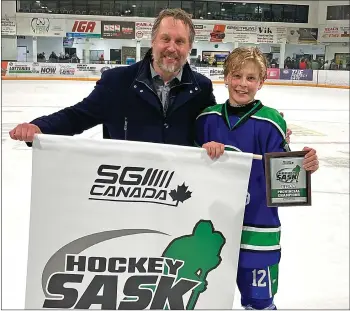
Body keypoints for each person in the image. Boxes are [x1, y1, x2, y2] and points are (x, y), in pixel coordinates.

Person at [9, 8, 295, 148]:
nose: (172, 48)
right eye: (166, 39)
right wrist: (39, 128)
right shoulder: (117, 83)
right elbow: (77, 117)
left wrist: (262, 120)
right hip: (126, 195)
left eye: (180, 42)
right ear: (153, 41)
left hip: (178, 199)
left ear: (189, 47)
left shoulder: (200, 88)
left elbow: (216, 127)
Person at [195, 46, 319, 310]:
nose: (242, 84)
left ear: (261, 82)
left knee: (259, 303)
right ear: (225, 77)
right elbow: (187, 170)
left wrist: (305, 164)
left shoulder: (272, 122)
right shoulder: (205, 119)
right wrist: (201, 153)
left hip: (258, 233)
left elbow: (287, 176)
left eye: (250, 78)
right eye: (237, 76)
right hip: (211, 231)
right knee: (205, 299)